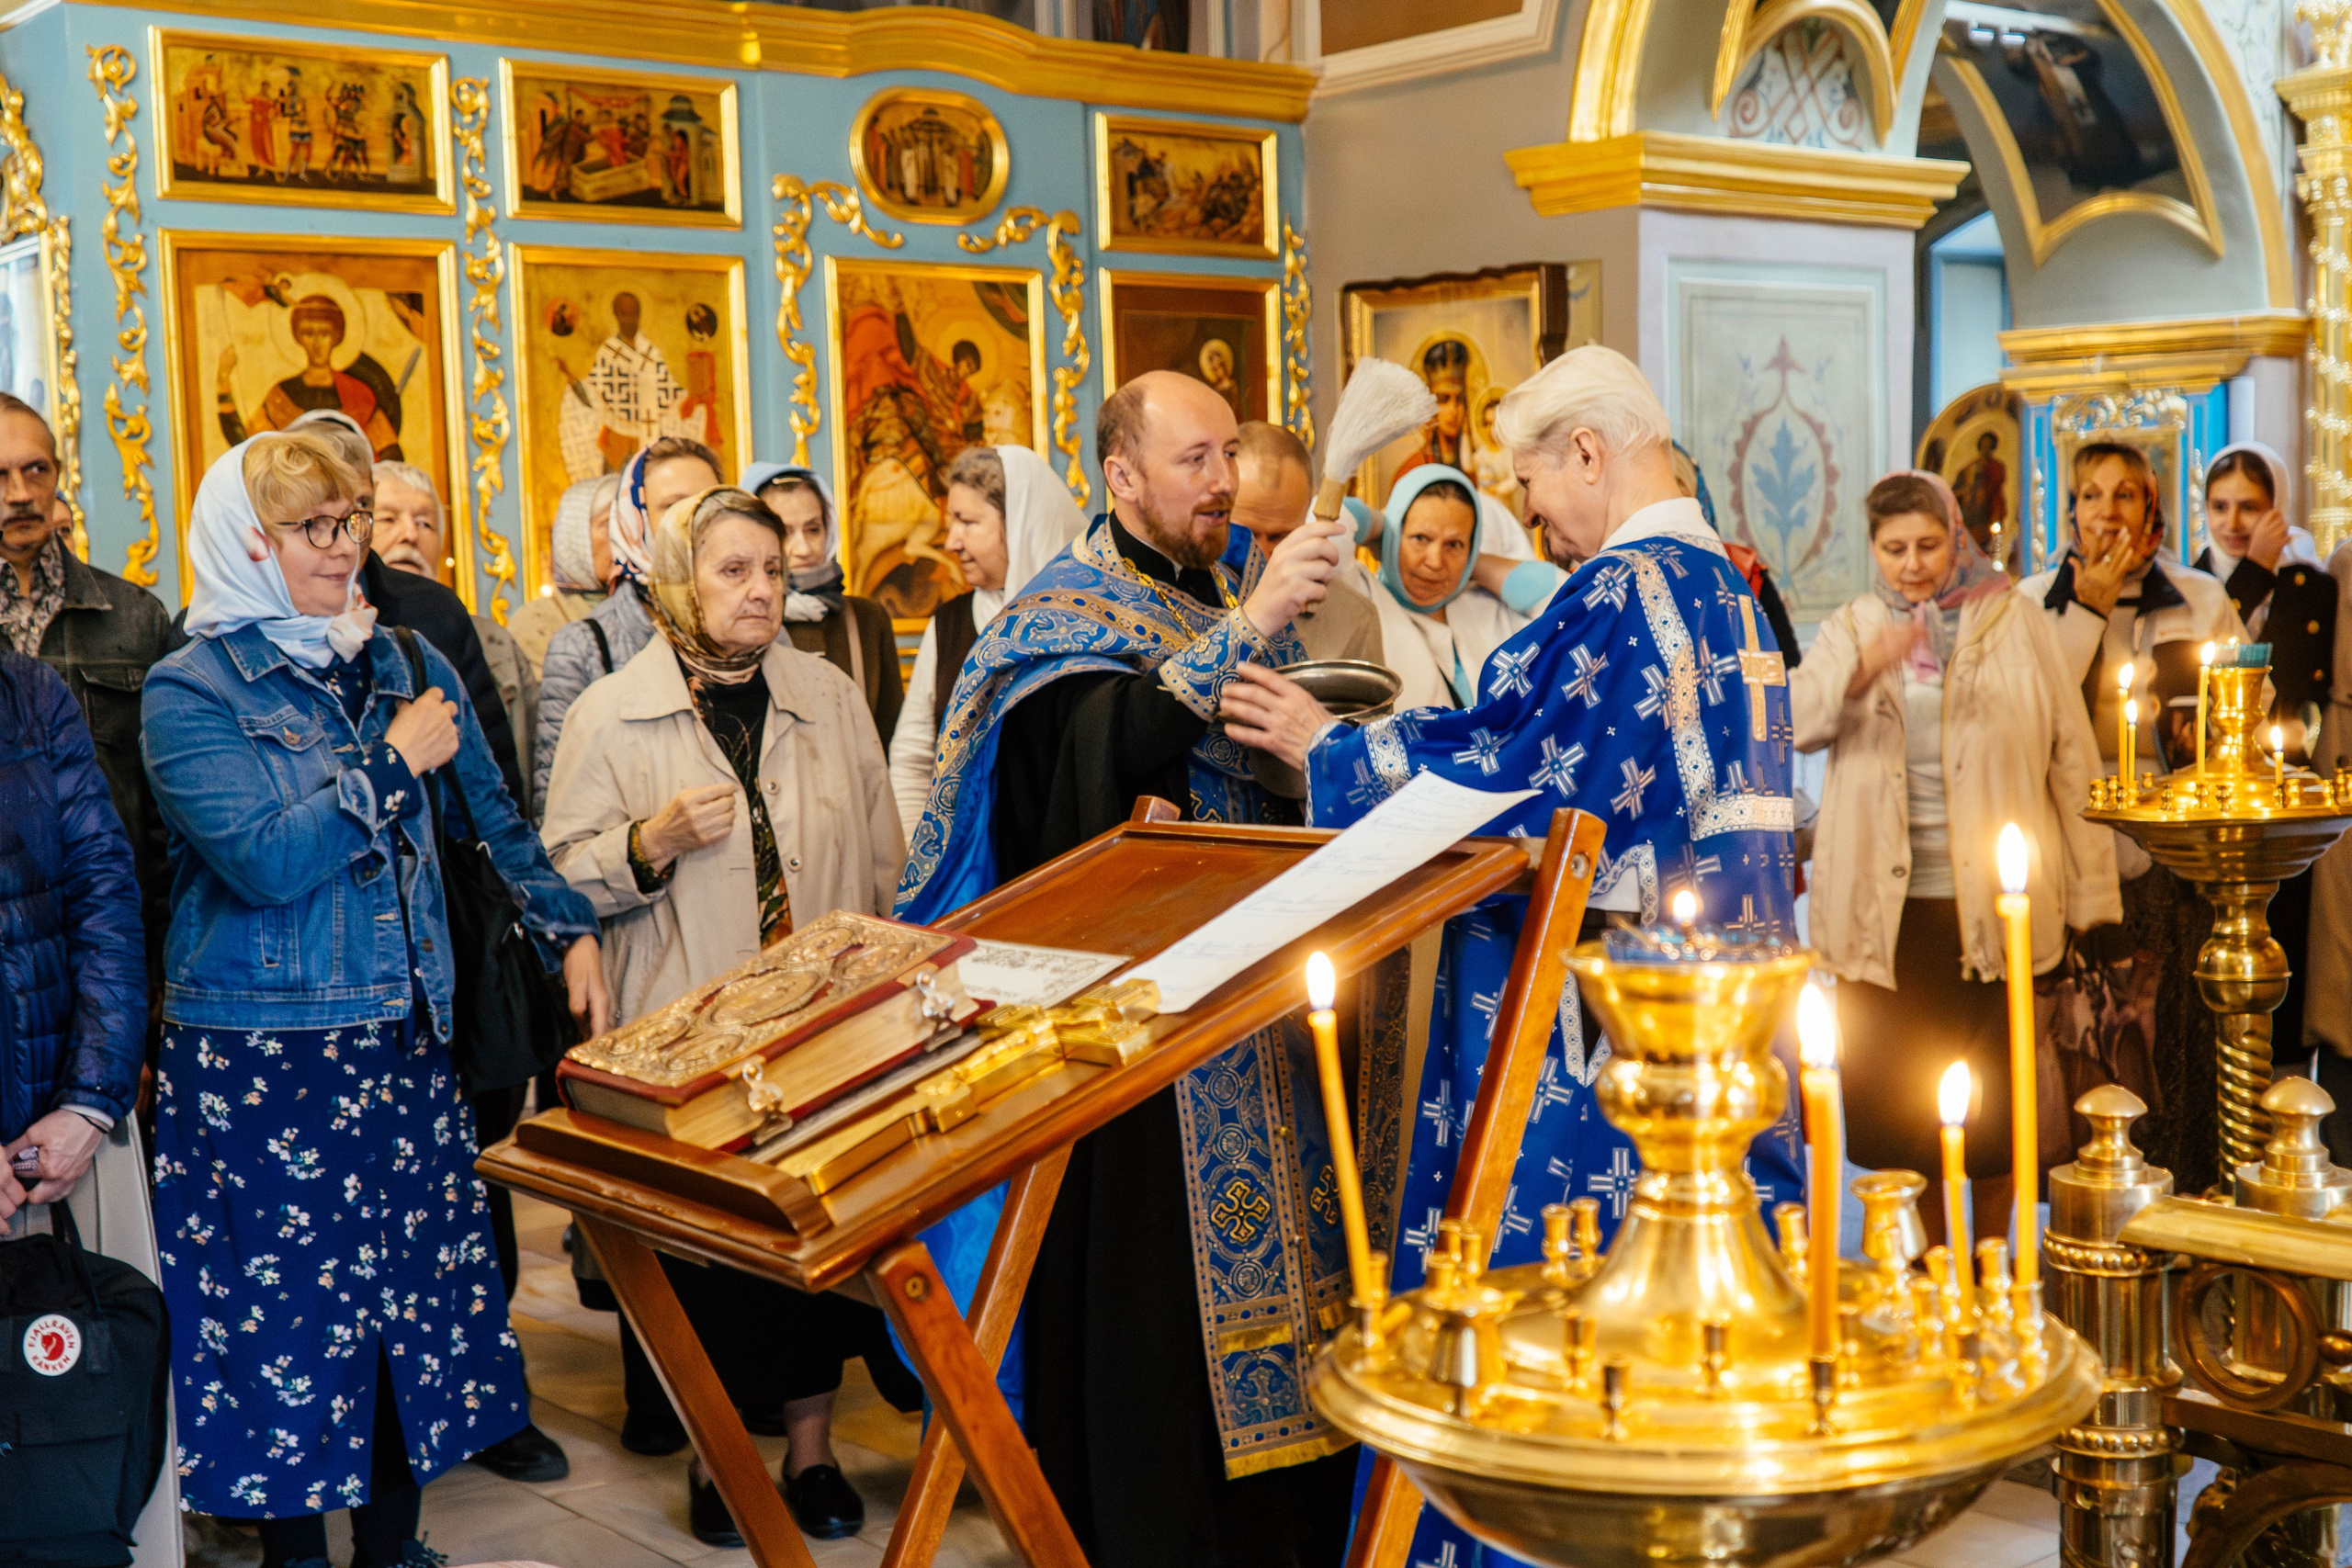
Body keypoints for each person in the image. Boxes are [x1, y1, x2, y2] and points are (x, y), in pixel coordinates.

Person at [1220, 342, 1809, 1568]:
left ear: (1588, 451)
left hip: (1606, 1029)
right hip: (1725, 1018)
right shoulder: (1728, 587)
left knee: (1556, 1323)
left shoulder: (1625, 587)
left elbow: (1517, 769)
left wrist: (1331, 745)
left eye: (1533, 487)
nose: (1532, 519)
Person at [897, 370, 1356, 1568]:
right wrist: (1250, 630)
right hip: (1142, 1049)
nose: (1224, 482)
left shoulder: (1220, 595)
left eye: (1229, 456)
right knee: (1154, 1321)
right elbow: (1076, 782)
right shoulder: (1057, 618)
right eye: (1196, 459)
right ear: (1122, 475)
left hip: (1261, 1010)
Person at [141, 429, 606, 1567]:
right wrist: (393, 765)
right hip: (261, 1059)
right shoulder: (187, 686)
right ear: (247, 541)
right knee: (282, 1329)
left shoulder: (403, 656)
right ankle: (297, 1557)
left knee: (407, 1313)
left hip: (400, 1043)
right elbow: (262, 860)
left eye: (347, 520)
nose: (341, 546)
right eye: (310, 527)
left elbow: (494, 820)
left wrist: (570, 932)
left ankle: (395, 1549)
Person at [539, 486, 911, 1545]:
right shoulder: (612, 711)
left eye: (772, 569)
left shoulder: (829, 695)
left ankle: (812, 1453)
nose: (760, 590)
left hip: (821, 1032)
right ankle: (717, 1459)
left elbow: (882, 858)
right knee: (713, 1262)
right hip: (685, 1035)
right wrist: (647, 843)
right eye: (732, 571)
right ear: (675, 583)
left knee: (812, 1248)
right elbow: (559, 873)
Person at [1792, 471, 2119, 1244]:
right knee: (1907, 1118)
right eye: (1894, 548)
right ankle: (1931, 1271)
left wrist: (2093, 898)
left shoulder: (2013, 619)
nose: (1912, 564)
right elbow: (1795, 722)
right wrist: (1863, 668)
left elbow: (2072, 756)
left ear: (1957, 540)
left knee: (1998, 1117)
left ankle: (1994, 1263)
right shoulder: (1853, 625)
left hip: (1997, 908)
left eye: (1928, 545)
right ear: (1873, 549)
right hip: (1887, 918)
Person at [2020, 440, 2244, 1190]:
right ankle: (2093, 1204)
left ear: (2153, 508)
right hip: (2078, 850)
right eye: (2092, 495)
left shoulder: (2199, 598)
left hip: (2175, 857)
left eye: (2126, 495)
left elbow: (2250, 704)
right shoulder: (2033, 602)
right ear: (2070, 511)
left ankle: (2186, 1197)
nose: (2109, 512)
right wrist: (2087, 606)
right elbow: (2033, 714)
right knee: (2093, 1044)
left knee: (2175, 1033)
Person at [0, 649, 178, 1567]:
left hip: (57, 1141)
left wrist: (90, 1103)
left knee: (71, 1431)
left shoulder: (30, 695)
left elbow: (103, 894)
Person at [0, 393, 179, 1007]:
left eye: (36, 470)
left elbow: (166, 816)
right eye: (0, 475)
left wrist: (159, 973)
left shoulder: (133, 617)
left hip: (114, 935)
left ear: (59, 474)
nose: (20, 493)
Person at [2191, 442, 2334, 1055]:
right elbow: (2209, 661)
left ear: (2277, 506)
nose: (2233, 522)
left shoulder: (2309, 585)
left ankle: (2286, 1069)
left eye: (2248, 506)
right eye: (2219, 506)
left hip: (2287, 784)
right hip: (2211, 784)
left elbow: (2304, 683)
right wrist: (2251, 573)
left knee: (2287, 932)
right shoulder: (2191, 584)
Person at [888, 444, 1088, 837]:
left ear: (1020, 522)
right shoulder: (948, 625)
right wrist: (918, 852)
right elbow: (914, 756)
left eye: (967, 522)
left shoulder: (1083, 624)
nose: (951, 542)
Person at [534, 435, 722, 818]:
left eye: (709, 505)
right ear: (635, 518)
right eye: (673, 506)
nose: (694, 520)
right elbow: (558, 813)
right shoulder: (583, 646)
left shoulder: (759, 630)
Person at [373, 459, 538, 817]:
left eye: (425, 523)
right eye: (388, 519)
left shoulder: (495, 644)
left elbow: (521, 770)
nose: (410, 534)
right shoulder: (344, 643)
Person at [1351, 462, 1566, 711]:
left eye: (1454, 545)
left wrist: (1472, 564)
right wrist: (1380, 527)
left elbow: (1567, 599)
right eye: (1420, 538)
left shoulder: (1484, 608)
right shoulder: (1363, 605)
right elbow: (1328, 529)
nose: (1435, 561)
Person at [740, 460, 903, 742]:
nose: (803, 549)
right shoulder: (744, 621)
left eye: (813, 529)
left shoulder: (867, 619)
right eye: (784, 533)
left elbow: (890, 735)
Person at [1230, 419, 1382, 667]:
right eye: (1245, 534)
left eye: (1279, 537)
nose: (1262, 554)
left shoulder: (1353, 619)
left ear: (1308, 508)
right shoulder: (1178, 596)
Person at [508, 474, 618, 676]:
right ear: (575, 535)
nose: (622, 537)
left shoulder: (650, 608)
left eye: (628, 523)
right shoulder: (536, 621)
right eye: (609, 524)